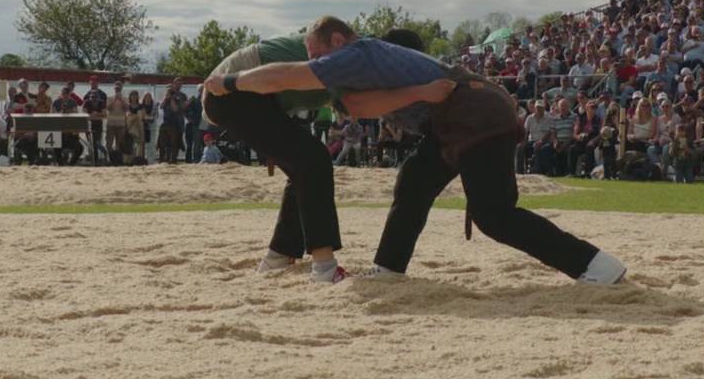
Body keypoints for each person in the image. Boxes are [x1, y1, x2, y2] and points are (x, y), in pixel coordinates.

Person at [205, 17, 626, 284]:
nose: (317, 66)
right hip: (457, 121)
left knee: (494, 215)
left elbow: (290, 77)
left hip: (475, 116)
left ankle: (594, 265)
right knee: (413, 182)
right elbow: (359, 105)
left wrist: (230, 83)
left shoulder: (354, 55)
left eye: (318, 55)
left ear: (338, 41)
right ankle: (389, 269)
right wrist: (419, 91)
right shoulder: (359, 64)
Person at [201, 30, 348, 283]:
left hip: (254, 95)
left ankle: (279, 255)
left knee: (306, 165)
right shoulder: (356, 57)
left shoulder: (356, 55)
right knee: (313, 159)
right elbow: (275, 77)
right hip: (231, 92)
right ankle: (324, 267)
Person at [52, 87, 84, 166]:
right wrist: (61, 111)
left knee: (80, 148)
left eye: (67, 93)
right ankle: (61, 164)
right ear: (61, 93)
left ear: (69, 94)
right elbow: (52, 114)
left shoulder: (73, 102)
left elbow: (75, 114)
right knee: (55, 147)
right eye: (63, 93)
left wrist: (68, 111)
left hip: (70, 131)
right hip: (59, 131)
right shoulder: (56, 102)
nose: (65, 95)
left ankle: (71, 164)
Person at [83, 76, 107, 164]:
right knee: (91, 143)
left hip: (98, 123)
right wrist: (90, 114)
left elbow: (105, 111)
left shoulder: (103, 96)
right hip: (88, 123)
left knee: (97, 142)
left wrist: (97, 114)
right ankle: (92, 159)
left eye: (95, 82)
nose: (93, 97)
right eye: (92, 82)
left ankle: (101, 156)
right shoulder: (86, 96)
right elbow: (84, 111)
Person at [105, 82, 128, 164]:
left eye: (119, 88)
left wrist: (121, 99)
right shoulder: (110, 98)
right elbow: (108, 108)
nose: (117, 89)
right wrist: (115, 99)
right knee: (109, 143)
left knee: (120, 143)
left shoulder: (125, 98)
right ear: (114, 89)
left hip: (121, 124)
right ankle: (110, 159)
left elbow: (126, 108)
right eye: (116, 88)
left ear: (121, 89)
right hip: (111, 123)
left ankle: (117, 160)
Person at [183, 88, 202, 163]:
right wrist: (189, 118)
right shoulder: (194, 100)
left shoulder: (207, 100)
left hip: (206, 124)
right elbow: (185, 109)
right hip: (196, 124)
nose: (203, 90)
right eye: (201, 89)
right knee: (196, 143)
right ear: (199, 90)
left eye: (204, 89)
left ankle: (201, 159)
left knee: (202, 143)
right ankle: (196, 160)